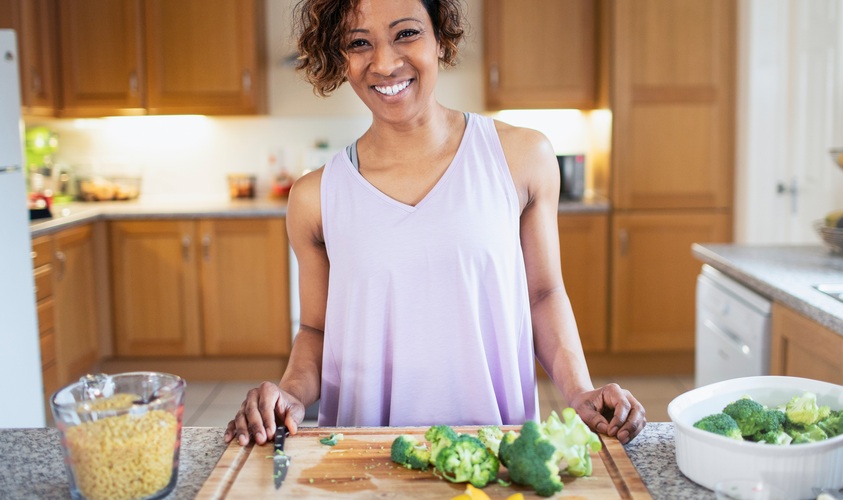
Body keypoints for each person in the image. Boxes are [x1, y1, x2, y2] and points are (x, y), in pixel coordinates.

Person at [224, 0, 646, 447]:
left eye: (406, 33)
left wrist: (580, 390)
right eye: (358, 43)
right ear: (339, 57)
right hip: (360, 455)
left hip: (495, 450)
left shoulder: (521, 157)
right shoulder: (314, 196)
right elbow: (316, 330)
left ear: (441, 39)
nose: (384, 62)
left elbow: (543, 295)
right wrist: (289, 392)